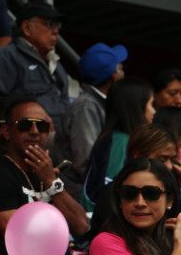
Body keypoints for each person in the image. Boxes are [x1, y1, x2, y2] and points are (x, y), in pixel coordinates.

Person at [0, 94, 92, 255]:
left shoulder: (46, 176)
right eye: (25, 125)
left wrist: (51, 182)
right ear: (7, 131)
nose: (35, 131)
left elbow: (81, 226)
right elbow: (24, 243)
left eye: (42, 126)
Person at [0, 1, 69, 127]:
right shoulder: (7, 55)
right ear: (27, 28)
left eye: (57, 25)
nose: (55, 31)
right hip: (28, 131)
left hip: (60, 131)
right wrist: (26, 121)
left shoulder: (56, 63)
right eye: (50, 24)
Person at [59, 42, 127, 199]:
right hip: (81, 195)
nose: (123, 73)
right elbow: (86, 161)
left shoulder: (102, 103)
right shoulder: (86, 107)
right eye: (121, 68)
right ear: (114, 75)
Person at [89, 123, 179, 240]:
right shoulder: (109, 239)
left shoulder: (172, 234)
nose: (140, 203)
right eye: (129, 194)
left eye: (152, 194)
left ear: (169, 201)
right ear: (138, 156)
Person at [82, 77, 155, 210]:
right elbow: (108, 188)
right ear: (135, 108)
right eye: (151, 104)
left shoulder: (123, 139)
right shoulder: (120, 141)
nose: (154, 111)